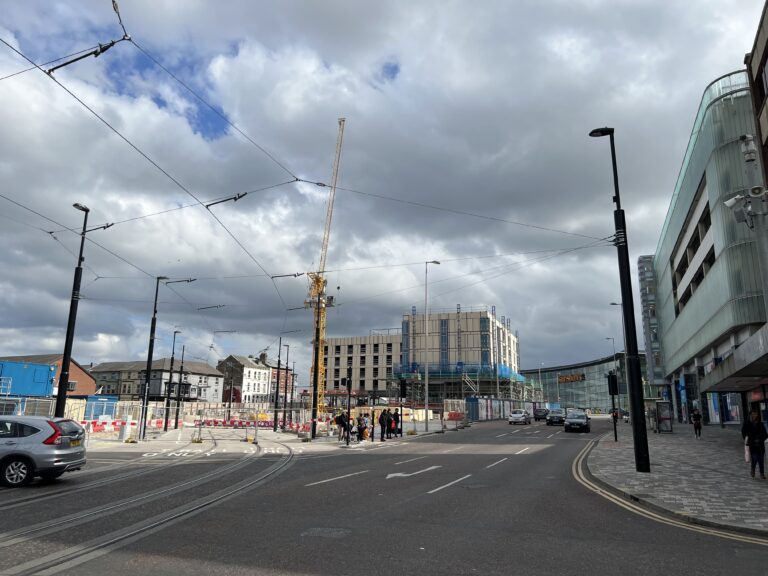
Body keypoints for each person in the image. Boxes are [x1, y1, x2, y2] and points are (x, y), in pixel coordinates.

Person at [741, 410, 768, 479]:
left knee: (761, 459)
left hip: (760, 444)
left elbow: (765, 434)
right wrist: (747, 439)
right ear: (750, 415)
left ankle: (762, 473)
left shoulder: (760, 423)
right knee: (755, 458)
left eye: (755, 414)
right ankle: (753, 470)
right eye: (753, 414)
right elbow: (743, 432)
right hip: (752, 444)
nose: (754, 416)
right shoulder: (747, 423)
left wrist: (760, 439)